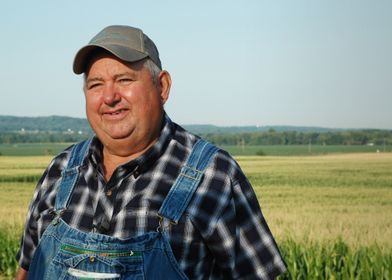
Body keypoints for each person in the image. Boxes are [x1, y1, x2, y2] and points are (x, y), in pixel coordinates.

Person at [15, 25, 287, 279]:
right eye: (96, 84)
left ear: (162, 86)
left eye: (123, 79)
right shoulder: (60, 171)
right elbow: (26, 271)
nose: (109, 97)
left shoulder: (213, 175)